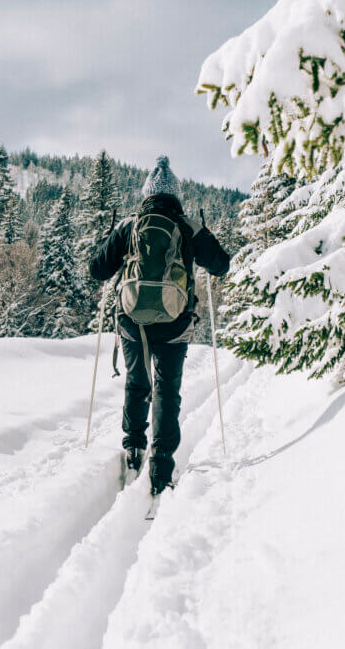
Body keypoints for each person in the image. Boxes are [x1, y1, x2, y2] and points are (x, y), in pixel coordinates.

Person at [89, 156, 231, 496]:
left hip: (132, 321)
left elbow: (97, 270)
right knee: (167, 391)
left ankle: (133, 452)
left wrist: (111, 239)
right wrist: (205, 235)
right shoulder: (186, 226)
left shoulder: (128, 225)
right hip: (175, 323)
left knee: (137, 384)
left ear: (147, 194)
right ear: (176, 195)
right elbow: (221, 265)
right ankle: (162, 467)